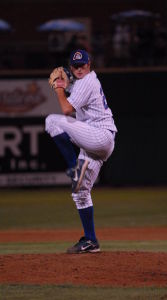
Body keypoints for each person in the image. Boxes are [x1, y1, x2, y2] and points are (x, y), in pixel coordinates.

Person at [45, 49, 117, 254]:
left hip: (99, 136)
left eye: (82, 65)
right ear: (71, 67)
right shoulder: (81, 82)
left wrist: (59, 88)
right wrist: (66, 87)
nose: (78, 69)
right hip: (96, 142)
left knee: (52, 121)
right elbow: (73, 100)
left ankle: (72, 166)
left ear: (89, 65)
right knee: (80, 191)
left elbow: (67, 109)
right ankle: (91, 241)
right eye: (75, 66)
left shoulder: (87, 81)